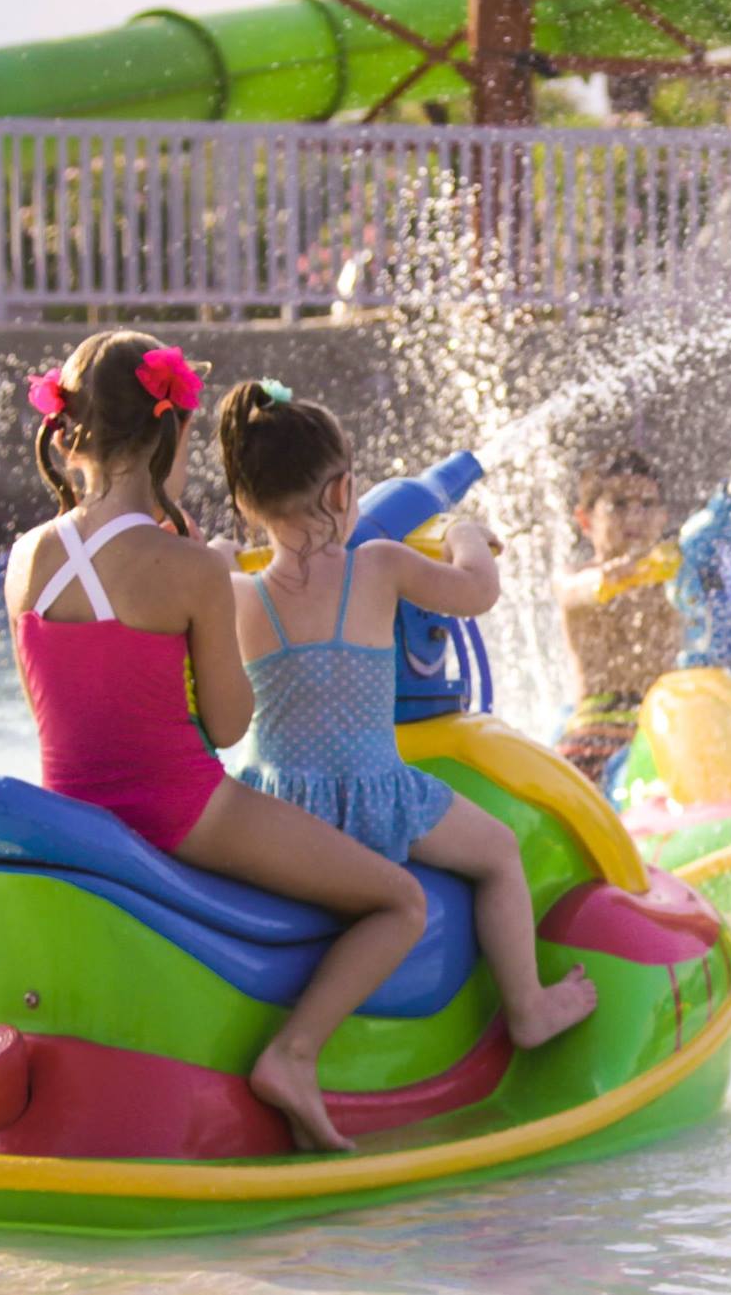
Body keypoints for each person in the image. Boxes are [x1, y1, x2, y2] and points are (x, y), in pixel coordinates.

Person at [2, 331, 425, 1155]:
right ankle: (294, 1057)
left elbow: (56, 708)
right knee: (398, 900)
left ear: (73, 428)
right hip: (180, 812)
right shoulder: (189, 566)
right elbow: (228, 727)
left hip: (74, 815)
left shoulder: (26, 557)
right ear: (175, 434)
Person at [215, 378, 597, 1050]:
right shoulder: (381, 565)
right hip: (371, 799)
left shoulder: (238, 590)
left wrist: (215, 558)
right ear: (342, 493)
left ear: (246, 502)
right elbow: (476, 593)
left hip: (275, 809)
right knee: (501, 854)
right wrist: (467, 535)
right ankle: (529, 1007)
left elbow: (202, 582)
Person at [552, 449, 682, 784]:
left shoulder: (676, 578)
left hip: (666, 721)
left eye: (647, 505)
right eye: (619, 505)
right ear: (585, 520)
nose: (635, 517)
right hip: (597, 726)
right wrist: (608, 579)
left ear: (663, 517)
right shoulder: (575, 576)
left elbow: (729, 583)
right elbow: (573, 590)